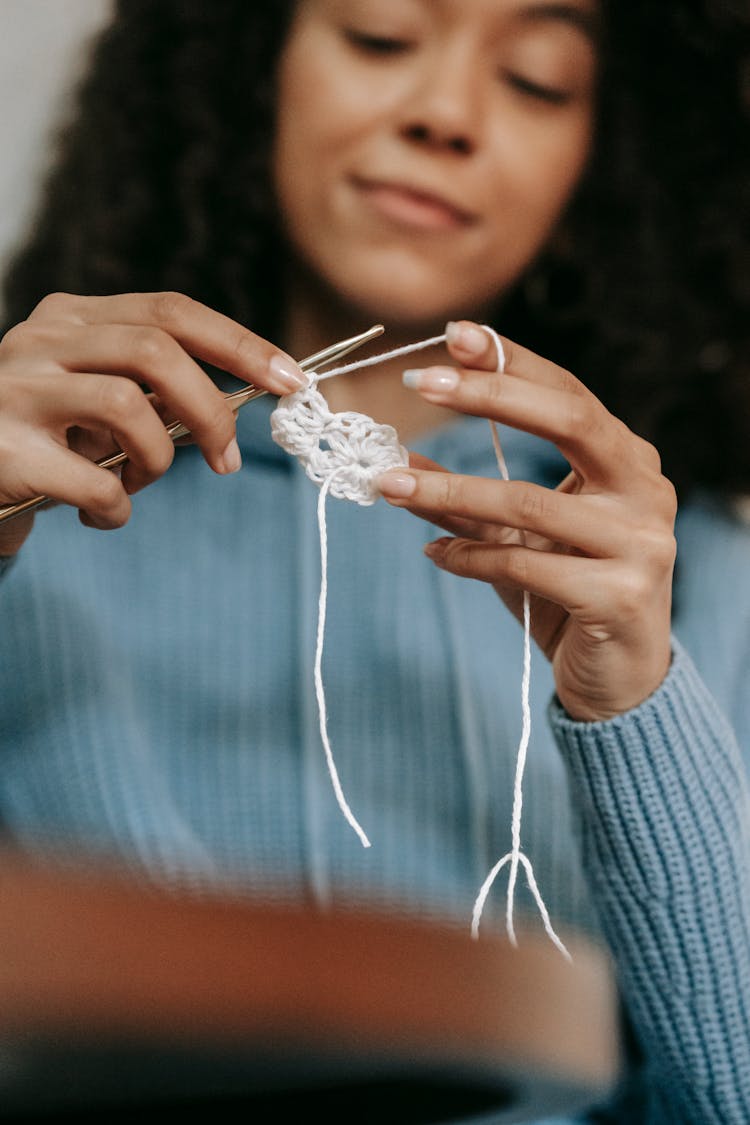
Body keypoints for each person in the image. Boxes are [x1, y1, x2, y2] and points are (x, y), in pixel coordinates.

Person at [0, 0, 748, 1120]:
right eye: (383, 34)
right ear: (250, 68)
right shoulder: (34, 500)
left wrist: (638, 707)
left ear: (607, 155)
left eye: (539, 80)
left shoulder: (694, 583)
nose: (446, 113)